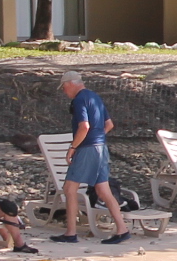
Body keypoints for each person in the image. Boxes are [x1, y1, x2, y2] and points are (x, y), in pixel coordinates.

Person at [56, 71, 131, 245]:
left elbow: (84, 126)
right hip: (101, 147)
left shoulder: (80, 99)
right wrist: (97, 138)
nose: (64, 92)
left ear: (70, 84)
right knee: (103, 190)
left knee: (69, 188)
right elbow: (109, 125)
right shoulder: (95, 97)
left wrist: (73, 148)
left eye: (64, 88)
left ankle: (71, 232)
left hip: (87, 149)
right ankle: (122, 229)